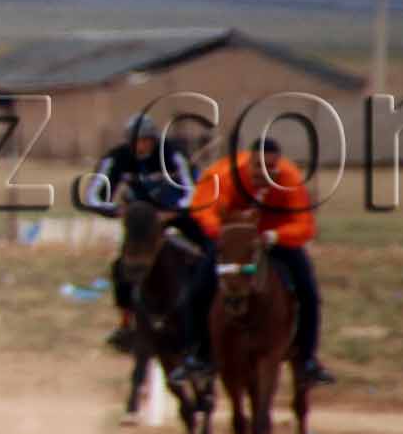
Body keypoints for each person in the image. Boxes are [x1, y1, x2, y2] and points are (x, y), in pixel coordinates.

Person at [182, 135, 336, 387]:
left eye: (271, 168)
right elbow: (203, 208)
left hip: (274, 238)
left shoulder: (290, 179)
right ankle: (198, 356)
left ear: (278, 165)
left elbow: (305, 226)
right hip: (234, 236)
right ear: (248, 162)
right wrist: (222, 231)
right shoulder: (226, 175)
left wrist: (275, 235)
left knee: (309, 292)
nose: (263, 174)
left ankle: (307, 360)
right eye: (258, 167)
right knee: (198, 289)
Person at [75, 112, 206, 348]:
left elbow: (194, 191)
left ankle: (208, 312)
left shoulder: (173, 155)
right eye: (135, 140)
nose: (140, 146)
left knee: (205, 253)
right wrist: (117, 210)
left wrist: (172, 212)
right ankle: (126, 322)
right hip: (141, 220)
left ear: (154, 140)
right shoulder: (117, 158)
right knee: (122, 266)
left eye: (145, 140)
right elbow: (94, 196)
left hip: (176, 214)